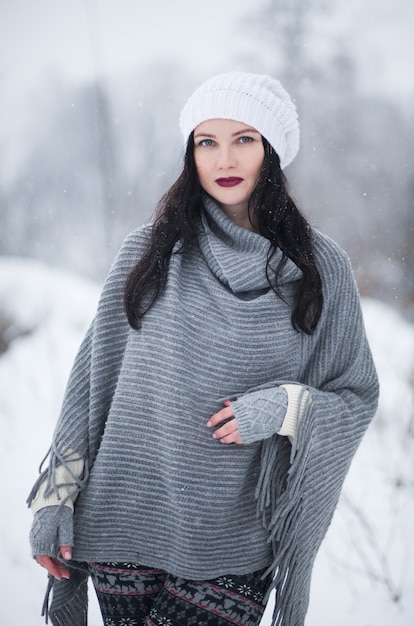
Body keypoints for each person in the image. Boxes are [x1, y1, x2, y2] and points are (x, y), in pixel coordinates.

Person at [28, 72, 379, 626]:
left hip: (236, 536)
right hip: (125, 521)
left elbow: (355, 394)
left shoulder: (321, 267)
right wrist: (53, 500)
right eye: (206, 142)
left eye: (244, 138)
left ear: (272, 151)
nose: (224, 158)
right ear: (190, 155)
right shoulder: (149, 252)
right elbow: (89, 389)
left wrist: (285, 408)